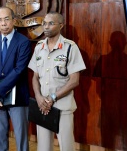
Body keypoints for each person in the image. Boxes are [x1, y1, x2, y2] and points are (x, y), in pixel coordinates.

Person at [28, 12, 86, 151]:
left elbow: (74, 81)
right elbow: (35, 77)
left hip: (62, 107)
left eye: (51, 23)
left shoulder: (70, 47)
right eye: (44, 23)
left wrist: (53, 98)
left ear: (61, 26)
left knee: (66, 147)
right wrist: (38, 97)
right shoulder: (39, 47)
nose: (46, 27)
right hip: (43, 106)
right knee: (43, 148)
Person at [0, 7, 31, 151]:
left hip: (18, 97)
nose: (3, 23)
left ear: (13, 21)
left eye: (6, 19)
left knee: (21, 136)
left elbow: (19, 70)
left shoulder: (23, 41)